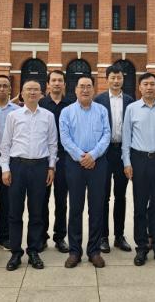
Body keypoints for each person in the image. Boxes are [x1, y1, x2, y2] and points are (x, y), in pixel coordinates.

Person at [1, 79, 58, 271]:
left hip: (40, 167)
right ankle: (16, 252)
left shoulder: (48, 116)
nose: (32, 93)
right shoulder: (13, 116)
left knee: (37, 212)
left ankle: (33, 250)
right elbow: (6, 144)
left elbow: (52, 143)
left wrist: (51, 167)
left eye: (36, 90)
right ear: (22, 94)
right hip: (17, 167)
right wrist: (5, 168)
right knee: (15, 212)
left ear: (42, 93)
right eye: (28, 90)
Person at [122, 73, 155, 266]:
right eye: (146, 84)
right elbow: (126, 139)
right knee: (140, 207)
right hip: (139, 160)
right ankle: (142, 247)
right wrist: (127, 162)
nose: (150, 87)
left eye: (153, 84)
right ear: (140, 88)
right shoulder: (132, 109)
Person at [60, 75, 110, 269]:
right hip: (75, 164)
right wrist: (82, 156)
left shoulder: (102, 111)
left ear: (94, 89)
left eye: (89, 86)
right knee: (75, 208)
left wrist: (93, 155)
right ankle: (74, 251)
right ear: (75, 90)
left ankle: (94, 251)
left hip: (98, 163)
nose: (85, 90)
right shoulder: (67, 112)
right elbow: (65, 138)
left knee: (96, 208)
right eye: (82, 87)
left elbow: (107, 134)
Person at [93, 64, 135, 253]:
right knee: (103, 196)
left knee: (121, 195)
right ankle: (103, 236)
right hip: (104, 152)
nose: (116, 81)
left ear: (122, 79)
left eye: (119, 77)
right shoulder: (99, 100)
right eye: (113, 77)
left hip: (122, 152)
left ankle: (119, 236)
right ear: (107, 79)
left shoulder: (130, 101)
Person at [38, 70, 73, 253]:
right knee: (42, 199)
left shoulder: (71, 105)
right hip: (43, 158)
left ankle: (60, 237)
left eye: (60, 80)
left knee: (61, 200)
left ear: (65, 84)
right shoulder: (41, 104)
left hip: (65, 158)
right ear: (48, 84)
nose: (57, 83)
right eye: (54, 80)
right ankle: (41, 237)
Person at [0, 75, 21, 251]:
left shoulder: (17, 111)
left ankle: (4, 236)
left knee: (6, 199)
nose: (1, 89)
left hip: (8, 159)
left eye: (5, 86)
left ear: (10, 89)